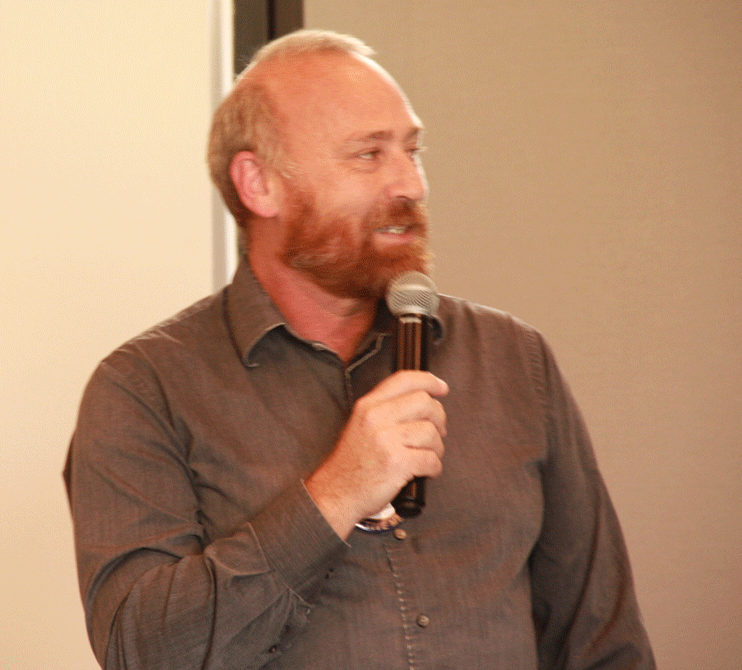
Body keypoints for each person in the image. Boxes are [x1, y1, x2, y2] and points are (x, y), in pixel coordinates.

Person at [65, 29, 655, 670]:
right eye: (368, 155)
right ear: (259, 184)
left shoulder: (514, 360)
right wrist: (337, 494)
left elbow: (602, 641)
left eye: (413, 151)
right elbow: (141, 652)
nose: (411, 184)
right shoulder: (144, 389)